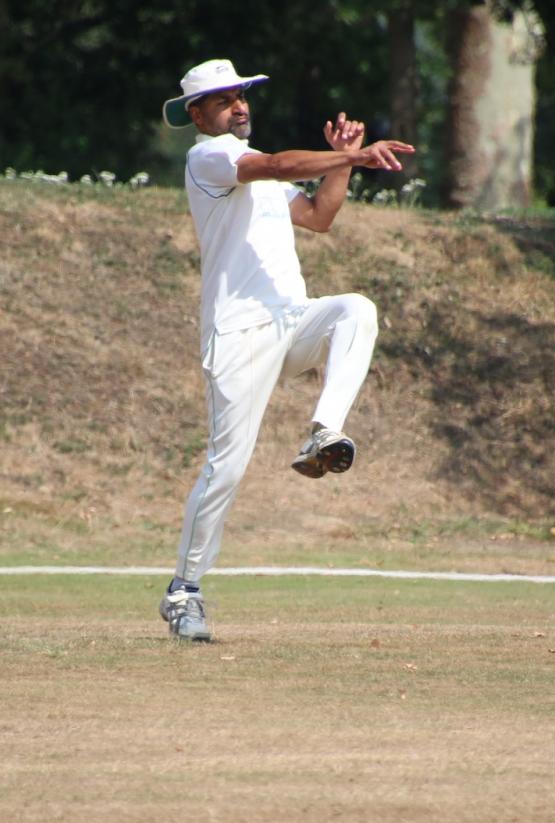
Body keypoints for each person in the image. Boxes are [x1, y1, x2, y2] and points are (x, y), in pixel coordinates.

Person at [157, 58, 415, 642]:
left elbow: (320, 217)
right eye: (225, 101)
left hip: (289, 320)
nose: (239, 107)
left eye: (243, 96)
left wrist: (342, 164)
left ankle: (325, 431)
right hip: (239, 333)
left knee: (356, 309)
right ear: (199, 115)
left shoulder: (265, 175)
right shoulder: (211, 156)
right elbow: (272, 163)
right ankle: (184, 591)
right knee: (226, 467)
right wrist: (354, 156)